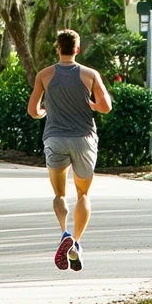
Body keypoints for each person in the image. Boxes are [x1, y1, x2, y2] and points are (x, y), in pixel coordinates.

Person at [27, 29, 112, 271]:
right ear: (77, 49)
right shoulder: (90, 75)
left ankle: (64, 232)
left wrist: (43, 112)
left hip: (55, 139)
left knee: (59, 195)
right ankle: (75, 242)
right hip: (84, 139)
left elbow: (33, 110)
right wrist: (91, 104)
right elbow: (105, 107)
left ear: (57, 48)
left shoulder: (44, 74)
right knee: (83, 194)